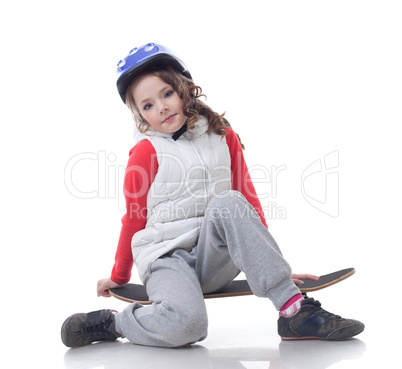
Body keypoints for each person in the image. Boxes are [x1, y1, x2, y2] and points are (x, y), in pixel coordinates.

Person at [61, 43, 364, 348]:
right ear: (139, 114)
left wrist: (272, 266)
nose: (162, 107)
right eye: (148, 105)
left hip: (212, 258)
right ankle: (113, 323)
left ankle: (294, 312)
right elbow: (133, 217)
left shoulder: (222, 135)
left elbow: (248, 199)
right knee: (188, 326)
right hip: (165, 258)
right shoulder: (145, 152)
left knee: (230, 201)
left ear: (184, 88)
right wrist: (119, 274)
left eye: (167, 94)